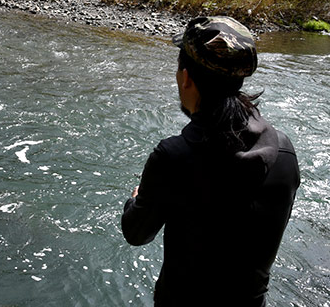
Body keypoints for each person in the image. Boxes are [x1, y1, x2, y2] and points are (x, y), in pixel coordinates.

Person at [121, 16, 300, 307]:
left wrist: (137, 199)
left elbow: (136, 232)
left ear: (186, 77)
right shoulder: (284, 151)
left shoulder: (173, 157)